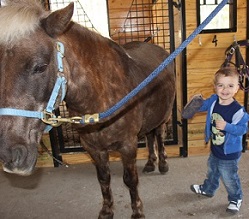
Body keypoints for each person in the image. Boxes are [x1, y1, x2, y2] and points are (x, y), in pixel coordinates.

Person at [183, 67, 248, 214]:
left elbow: (242, 130)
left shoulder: (238, 111)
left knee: (229, 177)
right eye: (221, 85)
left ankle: (235, 198)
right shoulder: (213, 101)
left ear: (237, 88)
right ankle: (208, 189)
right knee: (212, 170)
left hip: (229, 152)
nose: (225, 89)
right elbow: (202, 106)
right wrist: (195, 103)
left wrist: (228, 126)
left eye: (230, 86)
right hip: (216, 147)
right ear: (215, 87)